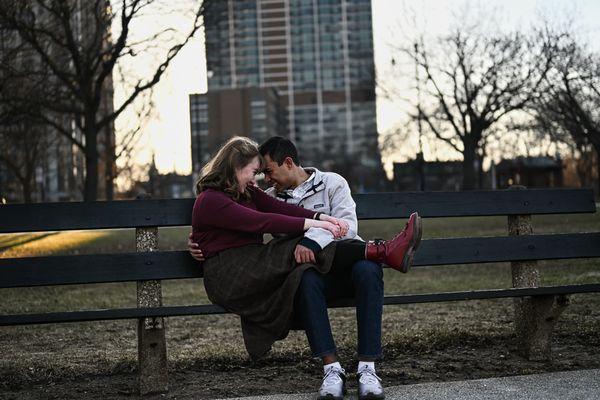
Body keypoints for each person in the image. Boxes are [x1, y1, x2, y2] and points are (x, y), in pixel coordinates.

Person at [189, 136, 422, 400]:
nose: (261, 179)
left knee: (368, 270)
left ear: (287, 163)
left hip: (339, 267)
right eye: (255, 172)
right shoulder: (240, 196)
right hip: (276, 272)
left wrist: (320, 223)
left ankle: (368, 369)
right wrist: (314, 230)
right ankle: (332, 369)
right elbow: (264, 220)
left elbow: (347, 228)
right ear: (235, 167)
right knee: (303, 271)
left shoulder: (331, 183)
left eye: (265, 171)